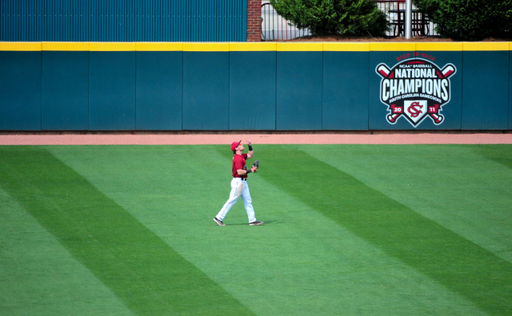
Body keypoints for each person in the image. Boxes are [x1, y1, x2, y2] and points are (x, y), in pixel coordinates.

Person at [213, 140, 263, 226]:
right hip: (238, 183)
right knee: (232, 200)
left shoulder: (241, 156)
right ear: (236, 148)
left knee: (248, 201)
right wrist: (250, 170)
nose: (242, 144)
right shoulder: (238, 158)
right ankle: (218, 217)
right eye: (240, 144)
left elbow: (251, 155)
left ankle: (252, 220)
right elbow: (239, 172)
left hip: (243, 183)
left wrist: (249, 146)